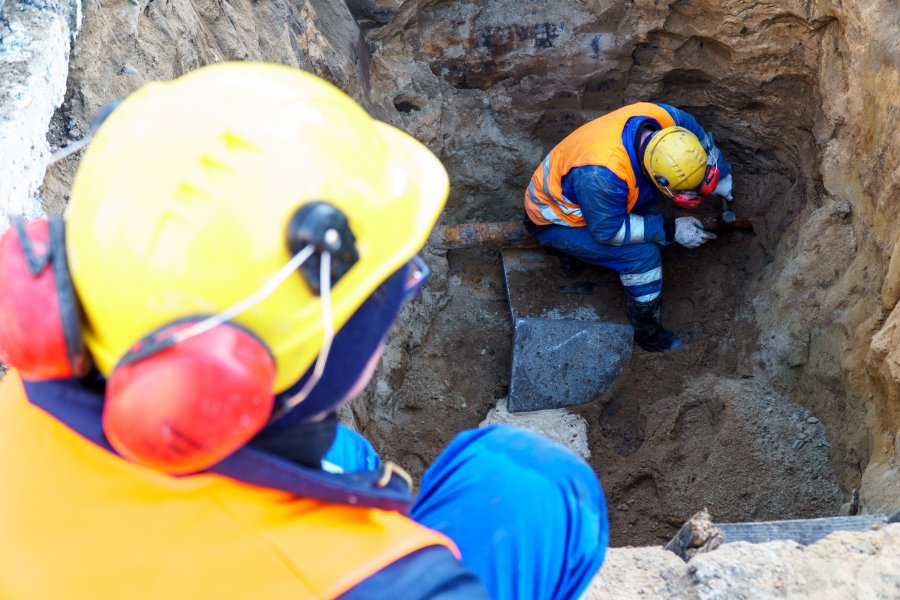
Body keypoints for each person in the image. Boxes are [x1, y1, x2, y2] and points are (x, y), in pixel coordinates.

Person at [0, 63, 607, 599]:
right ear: (320, 352)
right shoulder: (395, 586)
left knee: (346, 452)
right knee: (532, 484)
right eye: (394, 284)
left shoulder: (22, 400)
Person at [523, 102, 734, 352]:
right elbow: (609, 231)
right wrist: (671, 229)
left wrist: (721, 175)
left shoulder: (669, 120)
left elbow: (702, 140)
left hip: (602, 196)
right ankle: (649, 335)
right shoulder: (601, 176)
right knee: (643, 256)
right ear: (657, 175)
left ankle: (584, 258)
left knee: (651, 217)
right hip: (555, 219)